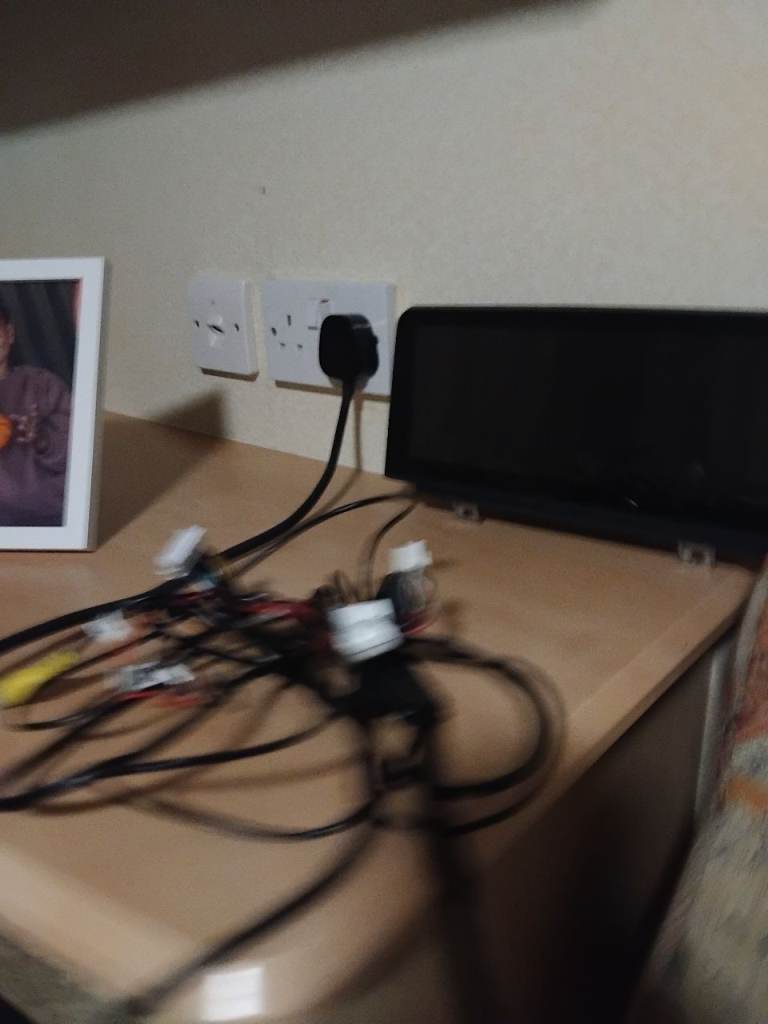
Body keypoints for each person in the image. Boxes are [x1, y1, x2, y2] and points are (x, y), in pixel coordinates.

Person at [0, 300, 72, 527]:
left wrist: (42, 439)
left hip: (49, 517)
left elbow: (79, 457)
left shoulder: (43, 384)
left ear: (10, 334)